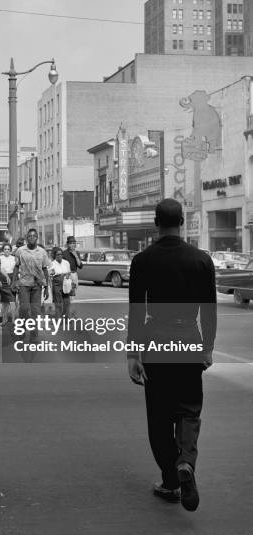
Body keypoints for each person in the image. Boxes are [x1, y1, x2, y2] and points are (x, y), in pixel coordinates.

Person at [127, 198, 216, 512]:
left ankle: (170, 479)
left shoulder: (143, 260)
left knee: (159, 417)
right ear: (182, 221)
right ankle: (186, 462)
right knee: (189, 409)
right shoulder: (201, 260)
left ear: (156, 222)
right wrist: (207, 347)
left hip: (156, 340)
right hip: (189, 338)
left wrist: (133, 354)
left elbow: (136, 311)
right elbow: (209, 310)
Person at [12, 229, 50, 335]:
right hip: (24, 284)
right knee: (24, 308)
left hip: (37, 286)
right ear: (26, 238)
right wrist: (13, 282)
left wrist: (46, 288)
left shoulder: (42, 252)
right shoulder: (20, 251)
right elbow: (16, 267)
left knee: (36, 310)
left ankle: (34, 332)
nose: (32, 237)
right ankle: (22, 328)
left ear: (37, 238)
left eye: (34, 236)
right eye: (29, 236)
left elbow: (45, 269)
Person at [49, 247, 72, 317]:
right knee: (58, 303)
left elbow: (69, 272)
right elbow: (50, 276)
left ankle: (66, 318)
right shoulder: (52, 264)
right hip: (57, 284)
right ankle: (58, 320)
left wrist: (67, 275)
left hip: (66, 283)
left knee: (66, 302)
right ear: (54, 255)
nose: (60, 256)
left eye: (61, 254)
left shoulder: (66, 262)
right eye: (58, 254)